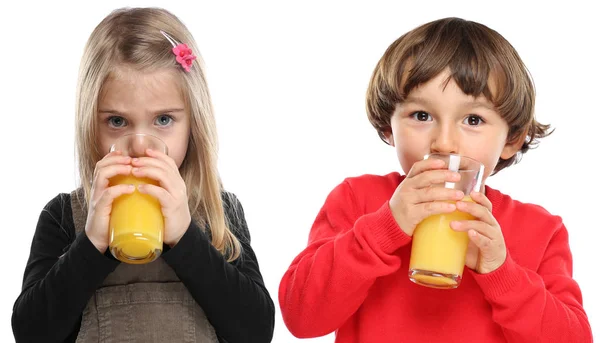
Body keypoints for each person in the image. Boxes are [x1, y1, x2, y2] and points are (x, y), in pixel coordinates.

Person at [279, 17, 592, 342]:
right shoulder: (357, 199)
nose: (444, 142)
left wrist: (502, 272)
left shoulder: (541, 230)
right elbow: (301, 318)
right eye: (421, 115)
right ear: (389, 127)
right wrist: (383, 230)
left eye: (473, 119)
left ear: (512, 139)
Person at [12, 7, 274, 343]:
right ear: (90, 123)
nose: (138, 145)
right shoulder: (64, 217)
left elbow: (256, 331)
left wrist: (186, 237)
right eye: (117, 121)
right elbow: (31, 333)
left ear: (194, 124)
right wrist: (91, 244)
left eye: (163, 120)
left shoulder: (219, 212)